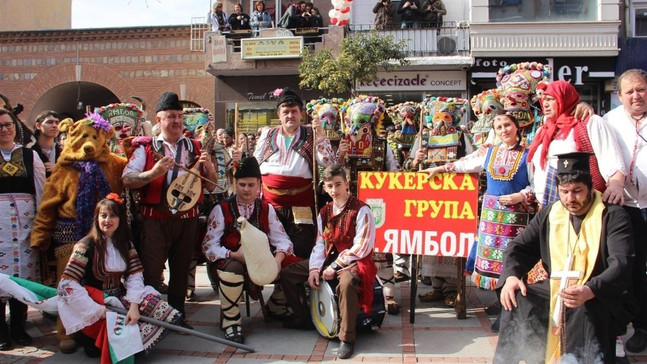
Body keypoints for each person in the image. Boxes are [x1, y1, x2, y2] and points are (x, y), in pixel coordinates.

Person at [494, 152, 638, 364]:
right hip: (557, 287)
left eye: (577, 191)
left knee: (582, 308)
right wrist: (511, 277)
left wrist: (591, 289)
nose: (570, 199)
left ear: (590, 188)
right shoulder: (552, 212)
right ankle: (522, 358)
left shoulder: (613, 215)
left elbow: (621, 263)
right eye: (564, 192)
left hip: (599, 291)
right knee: (518, 298)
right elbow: (520, 247)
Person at [121, 92, 218, 325]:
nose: (176, 121)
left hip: (188, 219)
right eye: (170, 116)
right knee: (152, 271)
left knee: (181, 269)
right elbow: (127, 179)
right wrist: (153, 173)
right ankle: (150, 316)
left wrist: (209, 168)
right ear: (158, 120)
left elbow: (211, 185)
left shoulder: (195, 147)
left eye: (179, 116)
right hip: (154, 219)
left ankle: (177, 315)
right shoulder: (145, 148)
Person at [57, 195, 182, 359]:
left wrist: (134, 305)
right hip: (95, 306)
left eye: (113, 216)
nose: (107, 220)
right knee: (100, 351)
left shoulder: (125, 244)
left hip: (120, 300)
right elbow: (66, 285)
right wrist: (98, 311)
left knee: (157, 306)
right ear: (97, 218)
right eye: (103, 215)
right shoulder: (85, 246)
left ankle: (134, 343)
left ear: (120, 219)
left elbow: (135, 275)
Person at [254, 87, 335, 318]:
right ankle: (280, 298)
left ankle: (292, 298)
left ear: (302, 114)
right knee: (272, 248)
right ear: (279, 114)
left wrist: (320, 137)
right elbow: (256, 162)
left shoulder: (312, 134)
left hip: (302, 202)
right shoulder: (267, 134)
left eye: (294, 111)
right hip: (271, 203)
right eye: (286, 111)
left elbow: (327, 164)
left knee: (301, 246)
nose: (290, 116)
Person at [280, 165, 377, 360]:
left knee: (347, 284)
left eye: (338, 184)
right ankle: (304, 318)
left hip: (353, 260)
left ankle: (347, 337)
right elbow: (319, 243)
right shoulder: (324, 211)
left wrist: (334, 266)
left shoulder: (361, 210)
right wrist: (314, 269)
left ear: (347, 184)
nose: (335, 190)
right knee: (288, 274)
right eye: (330, 186)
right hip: (328, 258)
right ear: (325, 188)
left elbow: (362, 246)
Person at [202, 157, 293, 343]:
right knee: (233, 269)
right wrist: (234, 254)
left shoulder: (266, 208)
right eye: (242, 184)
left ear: (259, 184)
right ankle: (232, 322)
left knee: (293, 266)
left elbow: (283, 239)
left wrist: (277, 260)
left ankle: (275, 306)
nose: (246, 189)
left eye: (251, 184)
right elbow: (209, 246)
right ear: (235, 184)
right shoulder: (222, 208)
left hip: (260, 261)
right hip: (229, 261)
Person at [527, 80, 626, 208]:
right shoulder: (543, 130)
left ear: (565, 99)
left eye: (551, 99)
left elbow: (611, 157)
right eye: (543, 100)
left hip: (581, 204)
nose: (545, 104)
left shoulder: (590, 123)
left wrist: (616, 184)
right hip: (547, 206)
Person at [603, 68, 647, 353]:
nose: (636, 96)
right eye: (629, 91)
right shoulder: (609, 121)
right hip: (626, 207)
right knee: (629, 268)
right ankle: (633, 325)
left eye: (641, 89)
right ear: (619, 96)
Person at [0, 107, 46, 351]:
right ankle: (0, 330)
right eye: (0, 126)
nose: (5, 129)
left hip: (25, 224)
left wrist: (41, 225)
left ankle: (18, 327)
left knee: (21, 278)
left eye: (8, 124)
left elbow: (40, 191)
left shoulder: (30, 156)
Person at [29, 110, 61, 178]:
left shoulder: (63, 151)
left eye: (57, 123)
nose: (55, 125)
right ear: (38, 125)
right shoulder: (28, 151)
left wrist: (59, 169)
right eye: (49, 122)